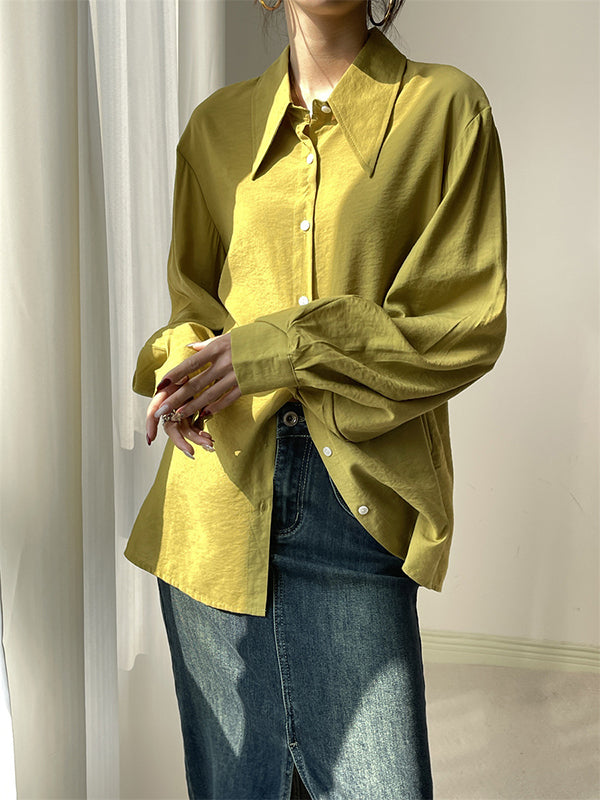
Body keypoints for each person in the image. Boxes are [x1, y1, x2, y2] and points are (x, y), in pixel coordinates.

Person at [125, 0, 507, 797]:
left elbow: (460, 324)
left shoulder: (446, 110)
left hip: (355, 507)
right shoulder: (214, 129)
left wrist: (278, 347)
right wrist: (184, 364)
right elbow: (193, 301)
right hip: (215, 510)